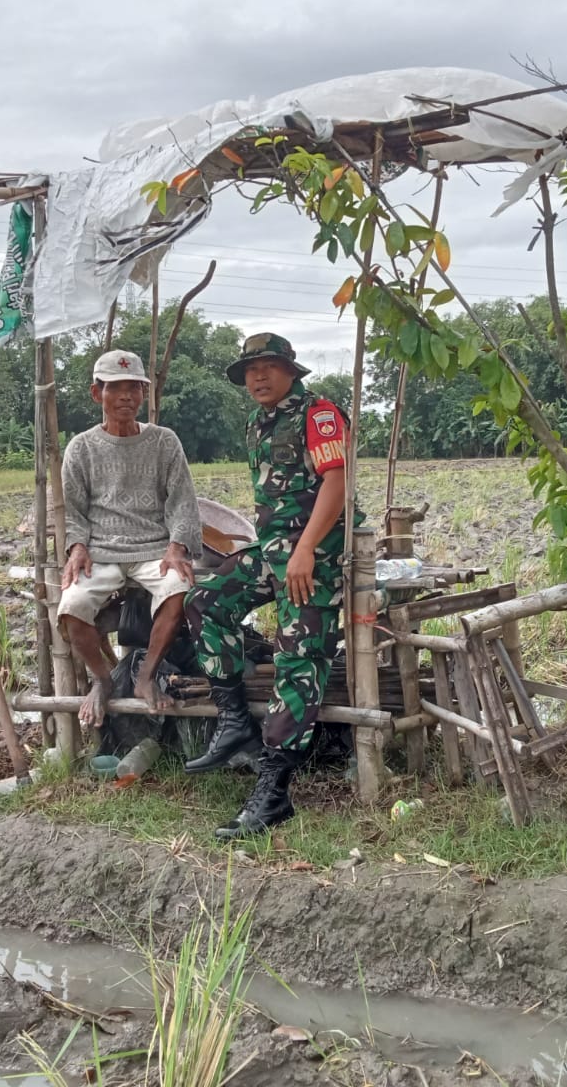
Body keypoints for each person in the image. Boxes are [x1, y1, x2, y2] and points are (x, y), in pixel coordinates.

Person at [183, 332, 356, 839]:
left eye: (267, 367)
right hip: (273, 552)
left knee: (297, 659)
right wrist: (282, 550)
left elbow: (338, 480)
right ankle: (235, 720)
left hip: (314, 557)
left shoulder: (318, 412)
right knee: (206, 603)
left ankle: (274, 792)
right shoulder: (257, 422)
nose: (257, 377)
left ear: (289, 369)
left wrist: (305, 550)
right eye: (249, 371)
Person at [58, 350, 202, 729]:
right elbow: (72, 509)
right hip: (102, 550)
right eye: (115, 388)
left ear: (144, 394)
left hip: (153, 546)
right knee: (72, 604)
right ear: (96, 393)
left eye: (134, 388)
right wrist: (77, 547)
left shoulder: (164, 442)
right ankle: (103, 678)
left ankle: (144, 676)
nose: (125, 396)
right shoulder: (81, 447)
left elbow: (183, 500)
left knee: (178, 588)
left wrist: (177, 546)